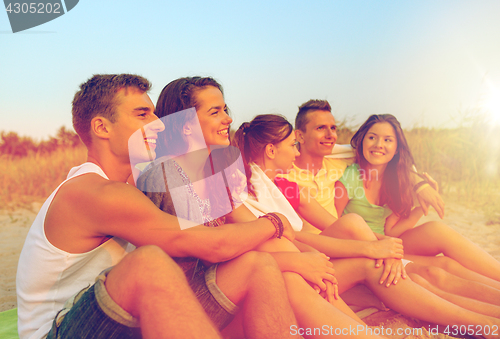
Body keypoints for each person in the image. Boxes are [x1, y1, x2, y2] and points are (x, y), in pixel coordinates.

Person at [16, 74, 299, 339]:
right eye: (142, 114)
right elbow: (212, 245)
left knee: (256, 266)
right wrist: (274, 222)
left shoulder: (130, 186)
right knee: (149, 263)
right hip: (57, 330)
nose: (160, 123)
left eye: (153, 112)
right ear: (102, 127)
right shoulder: (94, 192)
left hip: (116, 314)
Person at [137, 77, 392, 339]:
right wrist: (292, 257)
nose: (227, 119)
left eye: (225, 109)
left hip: (220, 285)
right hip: (183, 300)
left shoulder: (210, 173)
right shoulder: (167, 174)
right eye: (215, 112)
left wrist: (312, 261)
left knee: (284, 260)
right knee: (283, 270)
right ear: (185, 125)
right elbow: (209, 254)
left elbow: (259, 231)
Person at [232, 113, 500, 328]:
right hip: (303, 262)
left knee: (427, 260)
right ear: (271, 149)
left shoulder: (288, 186)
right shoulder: (246, 188)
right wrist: (372, 248)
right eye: (293, 144)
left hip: (330, 248)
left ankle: (486, 320)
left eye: (333, 128)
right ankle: (483, 323)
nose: (296, 150)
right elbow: (291, 238)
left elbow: (333, 221)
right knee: (426, 273)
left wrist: (386, 241)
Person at [334, 114, 500, 315]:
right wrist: (373, 248)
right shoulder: (349, 178)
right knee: (441, 267)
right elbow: (336, 228)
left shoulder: (397, 179)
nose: (379, 144)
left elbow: (391, 231)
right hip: (364, 250)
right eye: (372, 137)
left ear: (396, 148)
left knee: (438, 231)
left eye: (388, 140)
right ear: (361, 141)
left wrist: (421, 208)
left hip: (388, 243)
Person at [280, 100, 445, 235]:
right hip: (319, 245)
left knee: (439, 236)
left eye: (333, 128)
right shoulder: (282, 173)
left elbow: (388, 159)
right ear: (300, 136)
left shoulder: (340, 163)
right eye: (320, 128)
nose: (330, 135)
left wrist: (419, 184)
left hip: (350, 239)